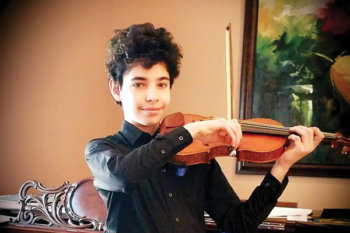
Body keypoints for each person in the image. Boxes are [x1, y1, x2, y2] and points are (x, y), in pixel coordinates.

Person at [85, 23, 324, 233]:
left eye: (162, 84)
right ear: (116, 89)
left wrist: (282, 165)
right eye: (138, 84)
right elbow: (125, 175)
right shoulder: (102, 150)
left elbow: (238, 224)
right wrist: (192, 131)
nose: (152, 96)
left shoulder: (196, 155)